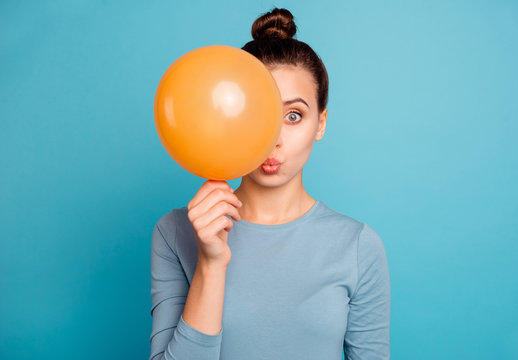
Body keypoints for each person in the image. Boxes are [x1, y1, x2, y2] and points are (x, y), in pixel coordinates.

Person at [149, 7, 390, 360]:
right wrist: (211, 263)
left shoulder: (358, 246)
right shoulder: (175, 232)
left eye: (293, 116)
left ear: (320, 123)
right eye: (257, 112)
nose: (272, 139)